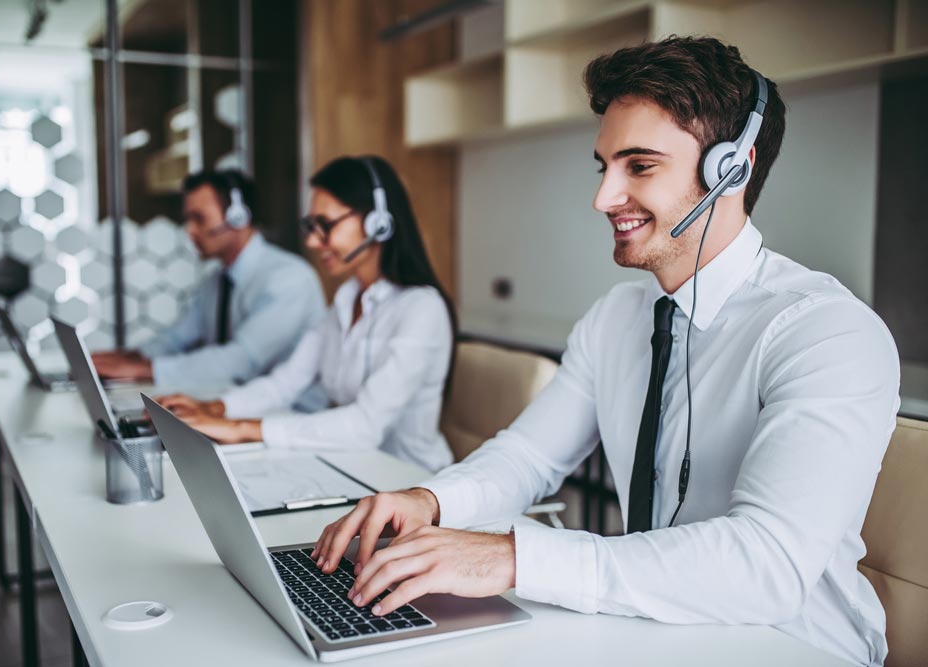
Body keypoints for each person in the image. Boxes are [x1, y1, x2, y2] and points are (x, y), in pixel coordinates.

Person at [310, 37, 899, 667]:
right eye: (604, 167)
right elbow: (528, 456)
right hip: (649, 625)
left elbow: (767, 565)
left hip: (791, 643)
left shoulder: (826, 333)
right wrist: (429, 502)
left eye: (639, 166)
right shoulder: (616, 319)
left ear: (733, 169)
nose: (603, 197)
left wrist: (511, 556)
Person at [156, 156, 458, 473]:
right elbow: (285, 383)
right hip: (352, 467)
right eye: (311, 227)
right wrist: (215, 408)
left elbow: (365, 426)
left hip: (410, 479)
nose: (313, 241)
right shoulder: (343, 303)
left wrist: (242, 428)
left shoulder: (422, 309)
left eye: (325, 225)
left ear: (377, 222)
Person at [91, 170, 325, 388]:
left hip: (291, 415)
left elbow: (241, 360)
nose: (190, 230)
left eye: (199, 218)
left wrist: (147, 369)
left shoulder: (289, 278)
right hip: (232, 405)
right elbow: (175, 338)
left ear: (238, 217)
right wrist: (129, 358)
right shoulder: (215, 281)